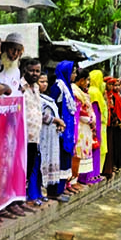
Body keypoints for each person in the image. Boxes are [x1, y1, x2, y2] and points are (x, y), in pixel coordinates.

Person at [49, 61, 79, 195]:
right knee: (59, 159)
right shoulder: (58, 87)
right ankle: (55, 191)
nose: (75, 75)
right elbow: (52, 105)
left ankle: (62, 189)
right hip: (59, 130)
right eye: (73, 72)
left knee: (65, 158)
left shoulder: (68, 87)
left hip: (67, 130)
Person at [38, 71, 68, 202]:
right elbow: (40, 114)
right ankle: (43, 191)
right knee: (43, 160)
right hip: (43, 134)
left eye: (45, 82)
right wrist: (57, 121)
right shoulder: (33, 97)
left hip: (53, 134)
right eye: (41, 82)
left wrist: (60, 124)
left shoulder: (47, 97)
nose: (44, 84)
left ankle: (53, 191)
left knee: (53, 159)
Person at [20, 58, 45, 207]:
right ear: (25, 71)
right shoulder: (19, 87)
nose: (35, 74)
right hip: (22, 137)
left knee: (29, 169)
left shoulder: (36, 87)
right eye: (32, 70)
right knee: (20, 169)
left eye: (37, 71)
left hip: (34, 137)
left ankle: (25, 197)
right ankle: (17, 200)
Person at [70, 69, 94, 188]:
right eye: (87, 80)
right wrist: (90, 120)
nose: (88, 82)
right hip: (79, 126)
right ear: (82, 80)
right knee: (76, 153)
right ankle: (72, 181)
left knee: (80, 153)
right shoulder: (75, 91)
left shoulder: (81, 91)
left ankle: (76, 179)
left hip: (85, 127)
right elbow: (79, 111)